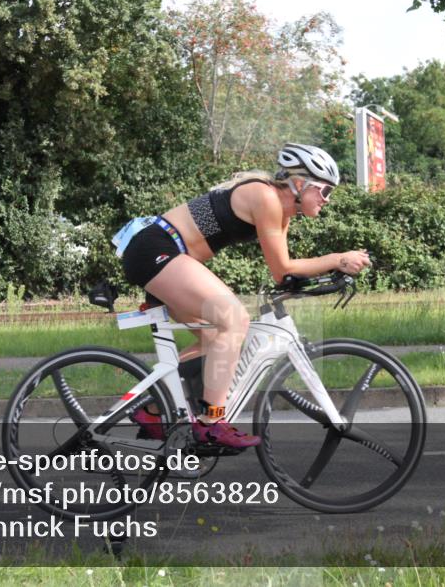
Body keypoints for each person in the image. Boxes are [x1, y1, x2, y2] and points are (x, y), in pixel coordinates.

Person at [117, 144, 371, 448]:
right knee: (233, 320)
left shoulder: (282, 212)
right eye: (325, 191)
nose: (326, 200)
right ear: (301, 184)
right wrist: (338, 259)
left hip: (167, 253)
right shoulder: (265, 196)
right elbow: (284, 267)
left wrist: (324, 274)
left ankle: (152, 410)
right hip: (158, 248)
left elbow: (284, 273)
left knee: (214, 343)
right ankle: (212, 422)